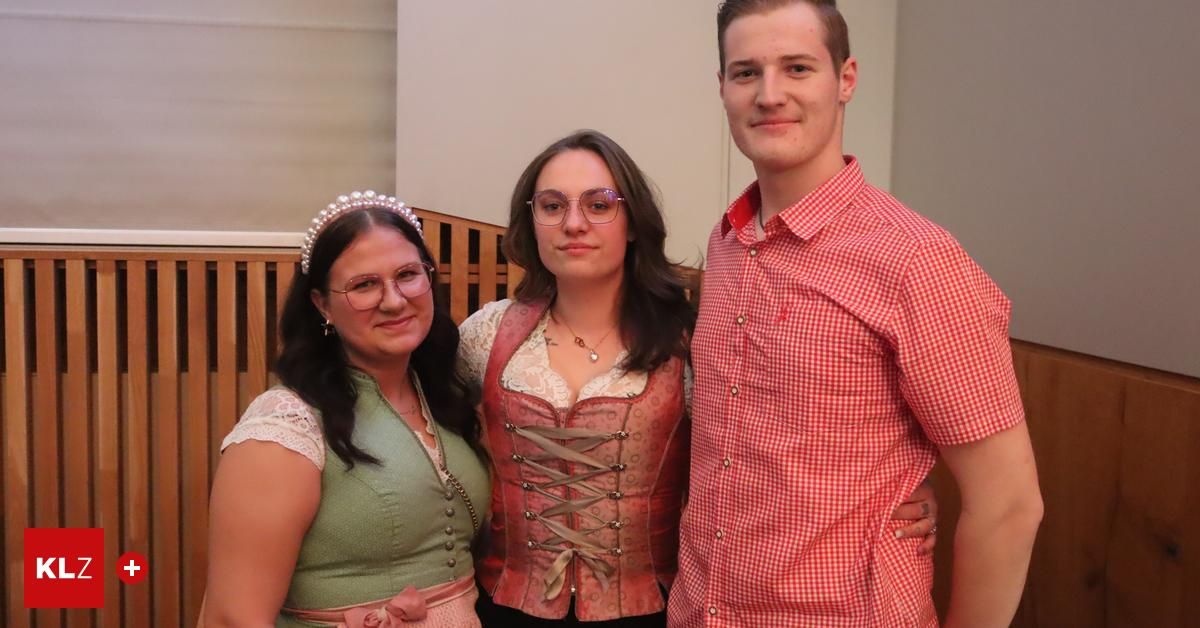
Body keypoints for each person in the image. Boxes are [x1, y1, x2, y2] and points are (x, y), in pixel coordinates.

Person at [459, 130, 938, 627]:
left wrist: (899, 489)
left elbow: (773, 448)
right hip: (506, 606)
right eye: (552, 206)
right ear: (530, 222)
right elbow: (427, 440)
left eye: (600, 205)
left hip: (650, 610)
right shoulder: (485, 335)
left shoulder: (693, 343)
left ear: (632, 223)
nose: (574, 223)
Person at [668, 2, 1044, 627]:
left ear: (845, 79)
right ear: (722, 88)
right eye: (745, 72)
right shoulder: (727, 242)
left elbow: (1008, 505)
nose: (769, 94)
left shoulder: (917, 260)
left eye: (797, 67)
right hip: (701, 610)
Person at [204, 191, 490, 627]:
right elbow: (233, 616)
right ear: (322, 304)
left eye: (408, 275)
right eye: (364, 285)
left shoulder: (442, 396)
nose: (394, 300)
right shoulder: (286, 426)